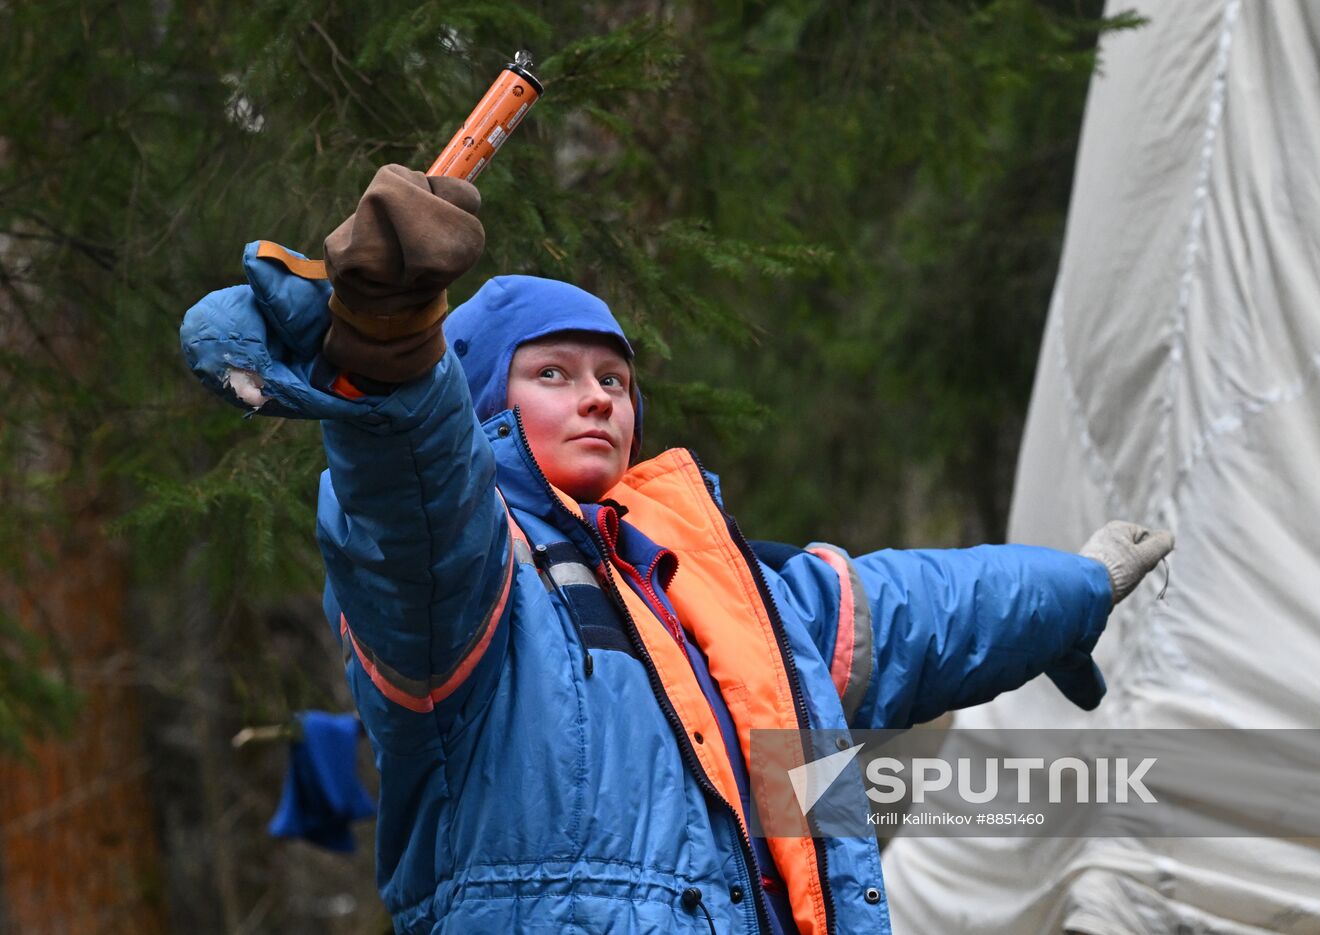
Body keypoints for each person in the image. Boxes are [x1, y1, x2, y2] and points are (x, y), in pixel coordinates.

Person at [181, 165, 1172, 935]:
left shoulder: (706, 588)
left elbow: (911, 610)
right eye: (553, 371)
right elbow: (411, 506)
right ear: (480, 397)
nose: (599, 394)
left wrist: (1073, 585)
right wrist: (395, 354)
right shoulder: (472, 576)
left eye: (614, 376)